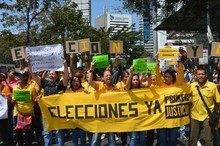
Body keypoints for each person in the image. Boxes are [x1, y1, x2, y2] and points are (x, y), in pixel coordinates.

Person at [28, 57, 69, 146]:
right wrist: (29, 64)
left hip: (58, 112)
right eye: (50, 74)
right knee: (47, 132)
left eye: (53, 74)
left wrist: (65, 65)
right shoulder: (44, 83)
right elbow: (34, 75)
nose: (51, 75)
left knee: (58, 132)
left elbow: (66, 76)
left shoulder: (61, 84)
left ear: (57, 75)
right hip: (46, 113)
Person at [155, 54, 184, 146]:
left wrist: (179, 61)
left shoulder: (177, 85)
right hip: (162, 118)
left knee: (173, 140)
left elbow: (181, 75)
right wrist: (157, 61)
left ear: (173, 77)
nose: (166, 78)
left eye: (168, 77)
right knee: (162, 141)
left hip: (173, 119)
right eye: (165, 76)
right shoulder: (161, 84)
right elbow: (157, 75)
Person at [88, 62, 118, 146]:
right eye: (106, 75)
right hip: (99, 117)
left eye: (110, 75)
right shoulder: (99, 85)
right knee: (96, 139)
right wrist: (91, 68)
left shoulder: (115, 88)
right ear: (102, 78)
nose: (109, 77)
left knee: (111, 138)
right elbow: (90, 81)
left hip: (110, 117)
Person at [190, 67, 220, 146]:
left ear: (206, 75)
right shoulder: (191, 86)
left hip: (208, 117)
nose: (201, 76)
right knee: (192, 140)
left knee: (208, 140)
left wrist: (216, 114)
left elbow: (218, 101)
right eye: (199, 74)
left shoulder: (212, 86)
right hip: (194, 116)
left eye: (202, 74)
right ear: (195, 76)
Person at [125, 65, 150, 146]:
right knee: (133, 137)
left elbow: (149, 83)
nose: (135, 81)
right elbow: (127, 85)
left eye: (136, 80)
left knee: (142, 137)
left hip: (142, 117)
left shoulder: (141, 88)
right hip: (132, 118)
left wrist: (149, 73)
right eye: (133, 80)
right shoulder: (128, 90)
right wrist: (131, 73)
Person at [12, 71, 37, 146]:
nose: (18, 77)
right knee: (19, 135)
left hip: (29, 114)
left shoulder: (31, 88)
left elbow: (35, 101)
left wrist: (37, 99)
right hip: (18, 114)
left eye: (20, 76)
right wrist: (12, 101)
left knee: (28, 134)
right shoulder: (15, 87)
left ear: (25, 77)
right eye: (17, 76)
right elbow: (13, 102)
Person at [66, 75, 87, 146]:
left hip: (81, 116)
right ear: (71, 82)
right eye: (74, 81)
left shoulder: (83, 90)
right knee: (74, 134)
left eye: (77, 81)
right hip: (72, 116)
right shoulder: (67, 91)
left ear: (80, 82)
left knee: (82, 134)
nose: (75, 83)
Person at [0, 72, 13, 146]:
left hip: (5, 112)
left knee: (7, 129)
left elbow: (10, 101)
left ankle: (9, 142)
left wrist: (5, 96)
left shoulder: (5, 87)